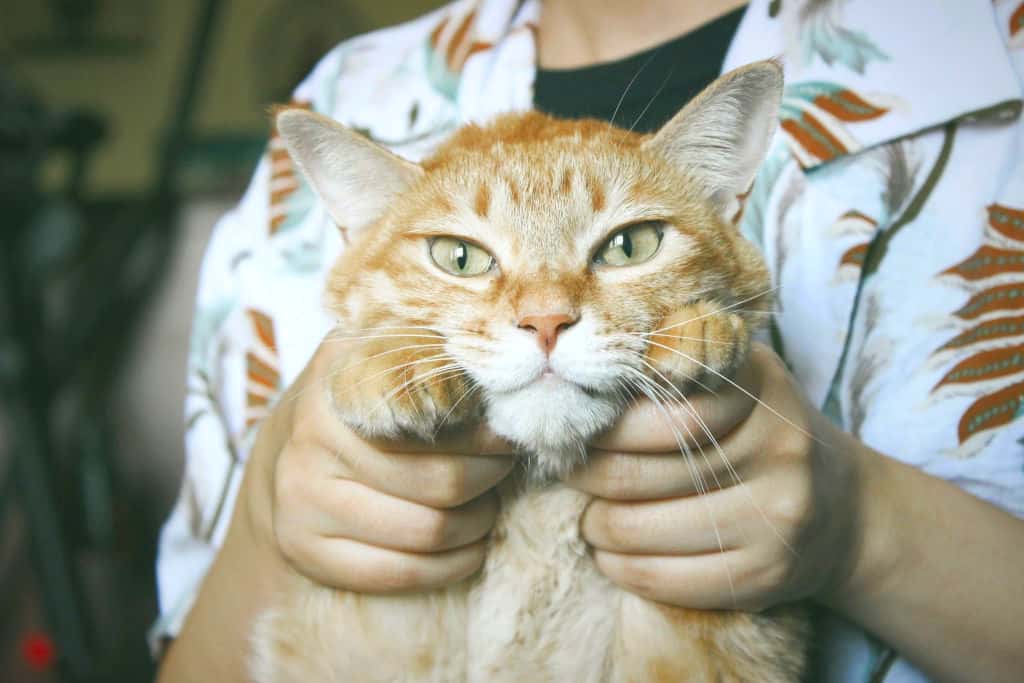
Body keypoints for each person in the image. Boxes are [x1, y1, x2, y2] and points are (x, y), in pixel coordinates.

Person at [153, 1, 1024, 681]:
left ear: (729, 202)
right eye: (463, 255)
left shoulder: (993, 44)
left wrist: (861, 528)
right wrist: (264, 525)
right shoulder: (341, 95)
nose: (544, 312)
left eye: (628, 243)